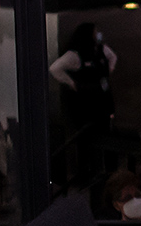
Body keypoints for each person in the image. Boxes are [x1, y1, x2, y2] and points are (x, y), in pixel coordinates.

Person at [49, 21, 117, 181]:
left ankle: (109, 173)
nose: (97, 34)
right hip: (85, 103)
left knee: (106, 136)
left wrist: (107, 73)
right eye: (94, 31)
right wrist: (72, 83)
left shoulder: (102, 49)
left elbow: (112, 58)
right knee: (85, 139)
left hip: (102, 101)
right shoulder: (75, 55)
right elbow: (54, 68)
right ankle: (86, 174)